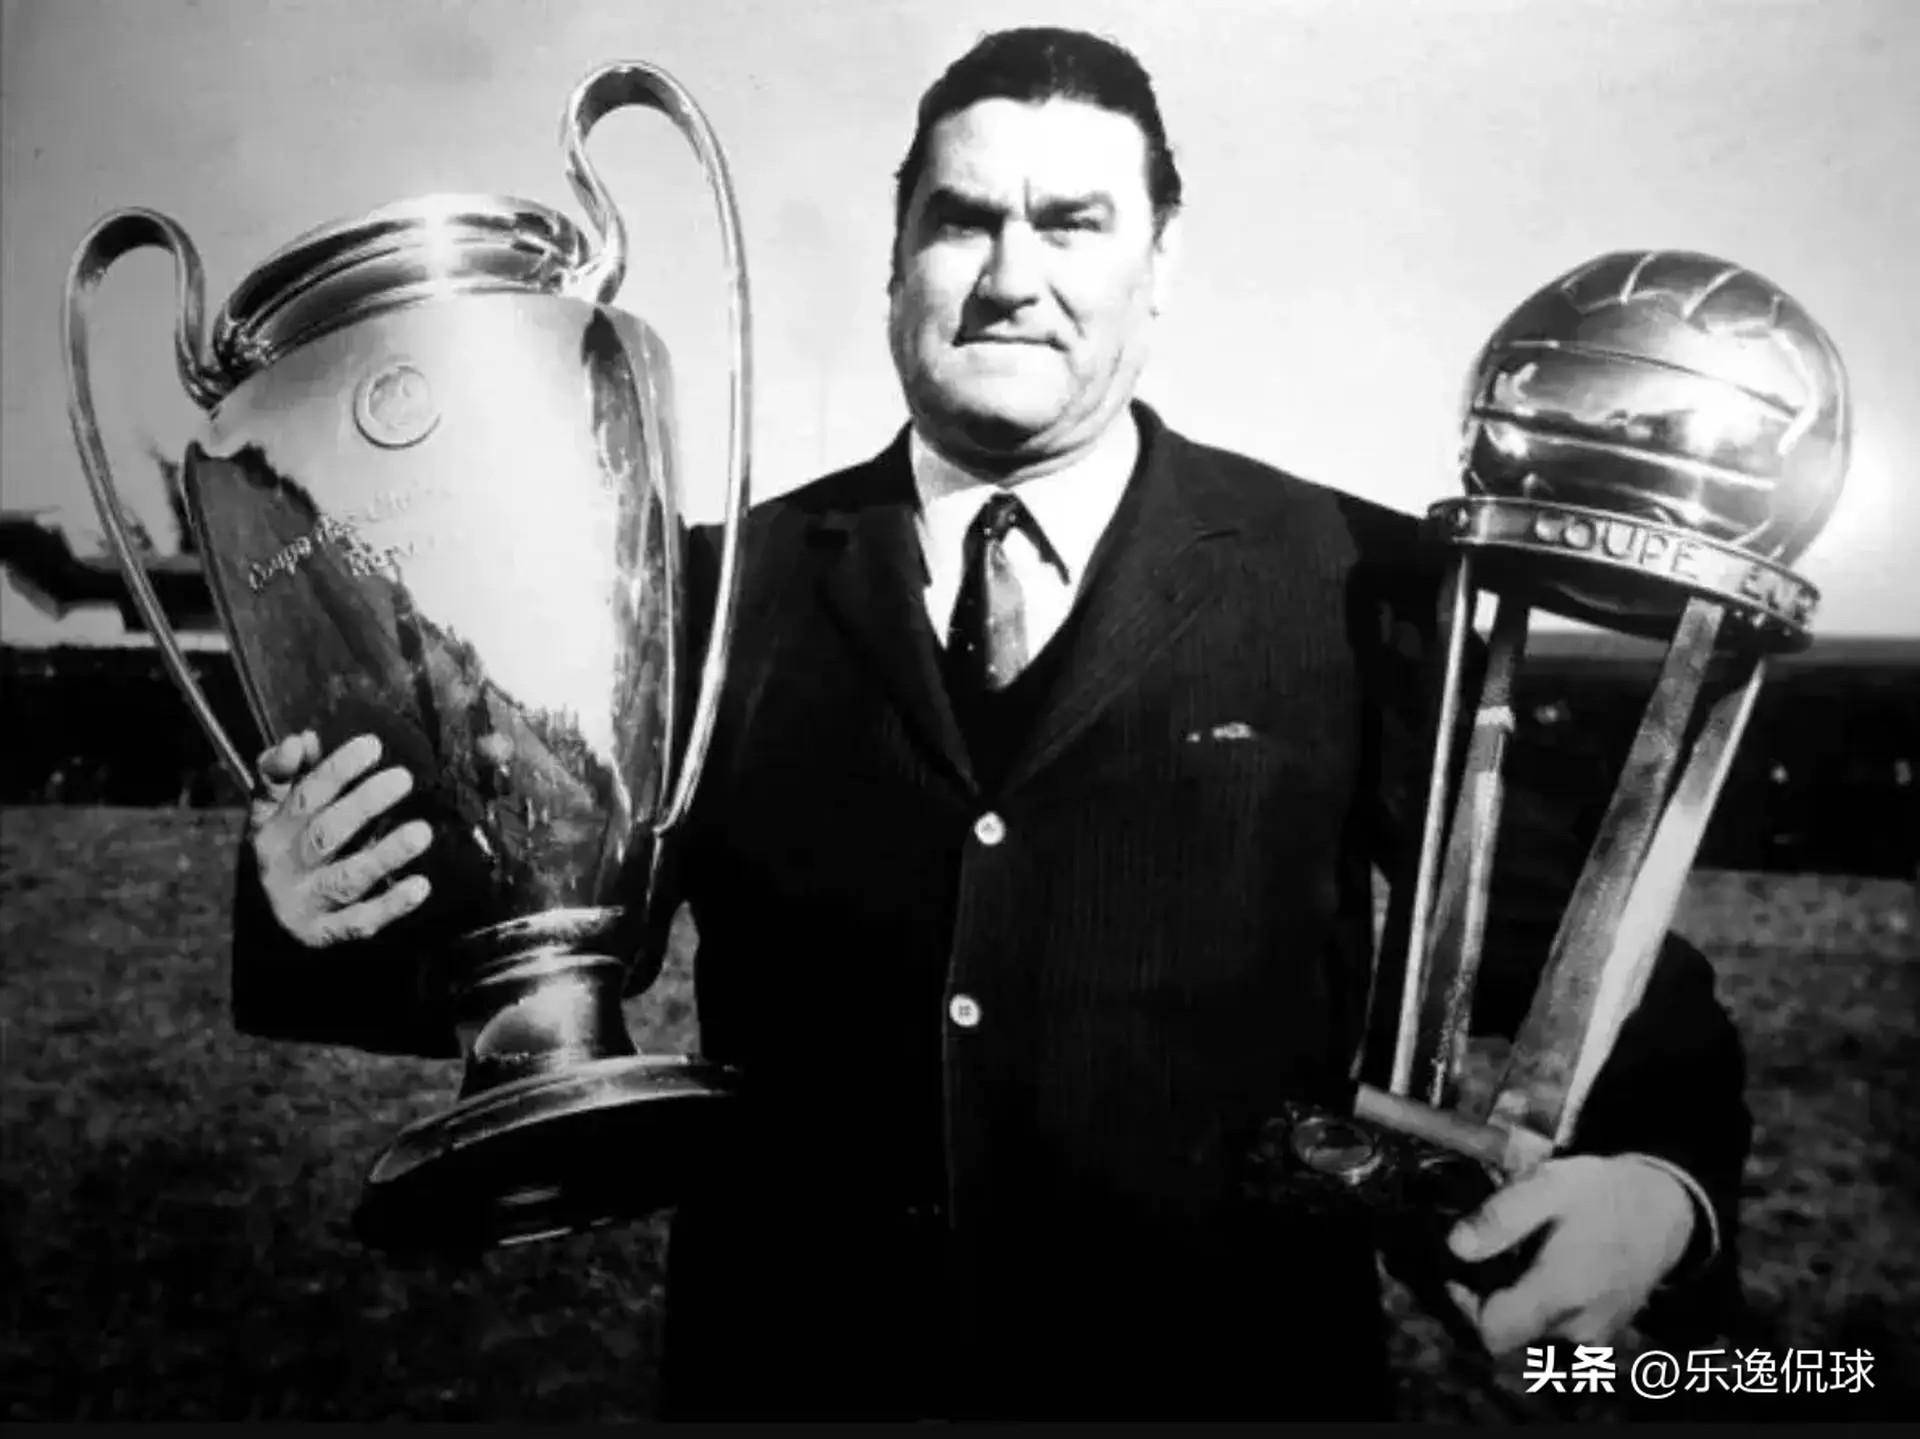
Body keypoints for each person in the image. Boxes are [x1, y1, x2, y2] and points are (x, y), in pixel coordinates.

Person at [230, 27, 1751, 1420]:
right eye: (962, 222)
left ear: (1161, 263)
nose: (1012, 275)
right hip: (802, 1387)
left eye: (1073, 223)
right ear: (895, 262)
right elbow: (544, 945)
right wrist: (316, 898)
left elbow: (1612, 964)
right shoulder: (710, 590)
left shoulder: (1354, 581)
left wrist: (1661, 1197)